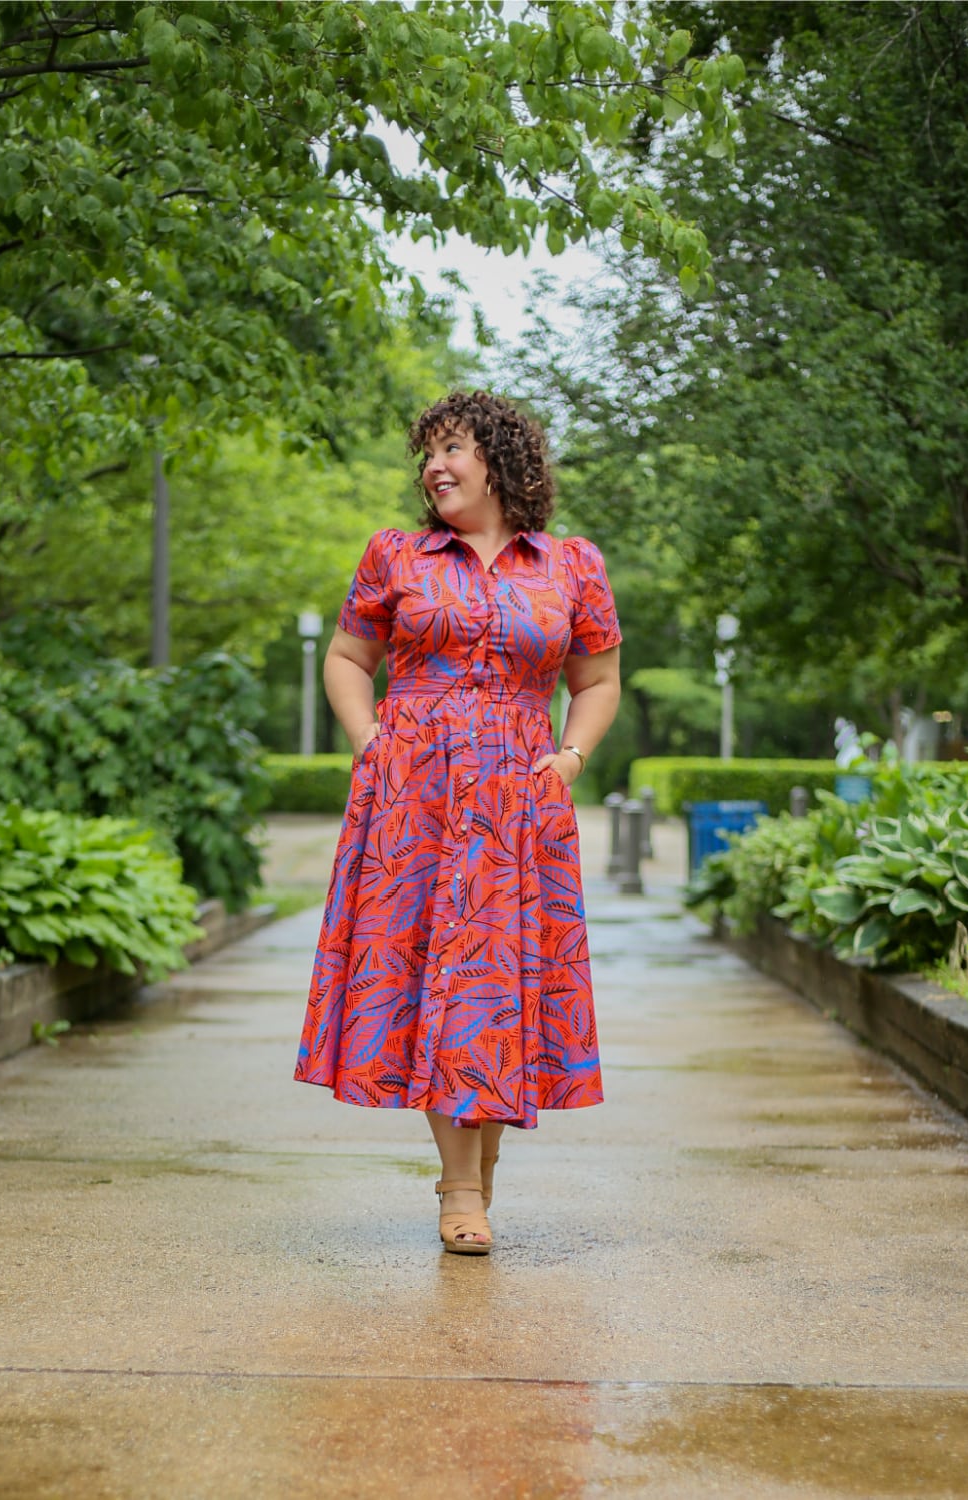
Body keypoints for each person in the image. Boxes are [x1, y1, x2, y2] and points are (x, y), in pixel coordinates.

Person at [294, 390, 621, 1254]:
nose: (435, 467)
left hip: (520, 796)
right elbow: (348, 657)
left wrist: (571, 759)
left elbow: (596, 681)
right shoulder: (395, 555)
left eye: (453, 449)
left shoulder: (572, 566)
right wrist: (370, 740)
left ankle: (478, 1174)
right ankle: (461, 1184)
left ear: (503, 462)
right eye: (428, 454)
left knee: (500, 984)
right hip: (417, 794)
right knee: (434, 978)